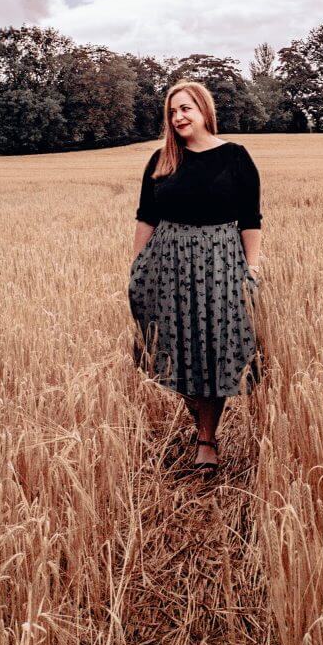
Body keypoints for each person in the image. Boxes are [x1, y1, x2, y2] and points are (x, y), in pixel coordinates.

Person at [128, 80, 264, 473]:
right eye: (172, 112)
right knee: (177, 348)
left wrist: (250, 268)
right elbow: (146, 216)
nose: (178, 117)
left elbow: (250, 218)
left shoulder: (235, 157)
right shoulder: (162, 160)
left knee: (215, 349)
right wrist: (137, 265)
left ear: (204, 111)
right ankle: (197, 418)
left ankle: (206, 438)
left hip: (221, 264)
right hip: (167, 265)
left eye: (185, 109)